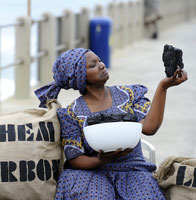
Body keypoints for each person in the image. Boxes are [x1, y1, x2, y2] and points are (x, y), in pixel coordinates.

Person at [34, 48, 188, 199]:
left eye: (100, 61)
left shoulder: (129, 94)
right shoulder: (70, 113)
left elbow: (149, 127)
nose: (101, 65)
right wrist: (102, 159)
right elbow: (75, 159)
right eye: (93, 65)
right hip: (90, 173)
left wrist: (163, 87)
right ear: (81, 76)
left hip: (131, 169)